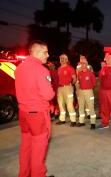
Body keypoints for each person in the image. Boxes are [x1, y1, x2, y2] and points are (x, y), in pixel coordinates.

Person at [15, 40, 55, 177]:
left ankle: (23, 174)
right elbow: (48, 95)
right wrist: (53, 92)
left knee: (26, 146)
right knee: (39, 149)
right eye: (45, 52)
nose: (47, 55)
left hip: (23, 113)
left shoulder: (19, 68)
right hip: (37, 114)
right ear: (37, 53)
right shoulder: (41, 70)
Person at [56, 54, 77, 127]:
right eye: (61, 58)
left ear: (67, 60)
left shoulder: (70, 68)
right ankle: (62, 119)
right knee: (61, 104)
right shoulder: (58, 69)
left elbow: (74, 79)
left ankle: (73, 120)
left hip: (67, 87)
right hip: (60, 88)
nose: (62, 59)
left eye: (64, 58)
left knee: (69, 105)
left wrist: (71, 85)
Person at [77, 61, 96, 129]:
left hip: (89, 91)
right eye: (82, 64)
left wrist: (88, 88)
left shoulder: (90, 73)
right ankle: (81, 122)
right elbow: (79, 82)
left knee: (91, 107)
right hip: (81, 92)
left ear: (87, 65)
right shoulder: (79, 73)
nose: (83, 65)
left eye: (84, 64)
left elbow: (94, 83)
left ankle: (93, 123)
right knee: (81, 107)